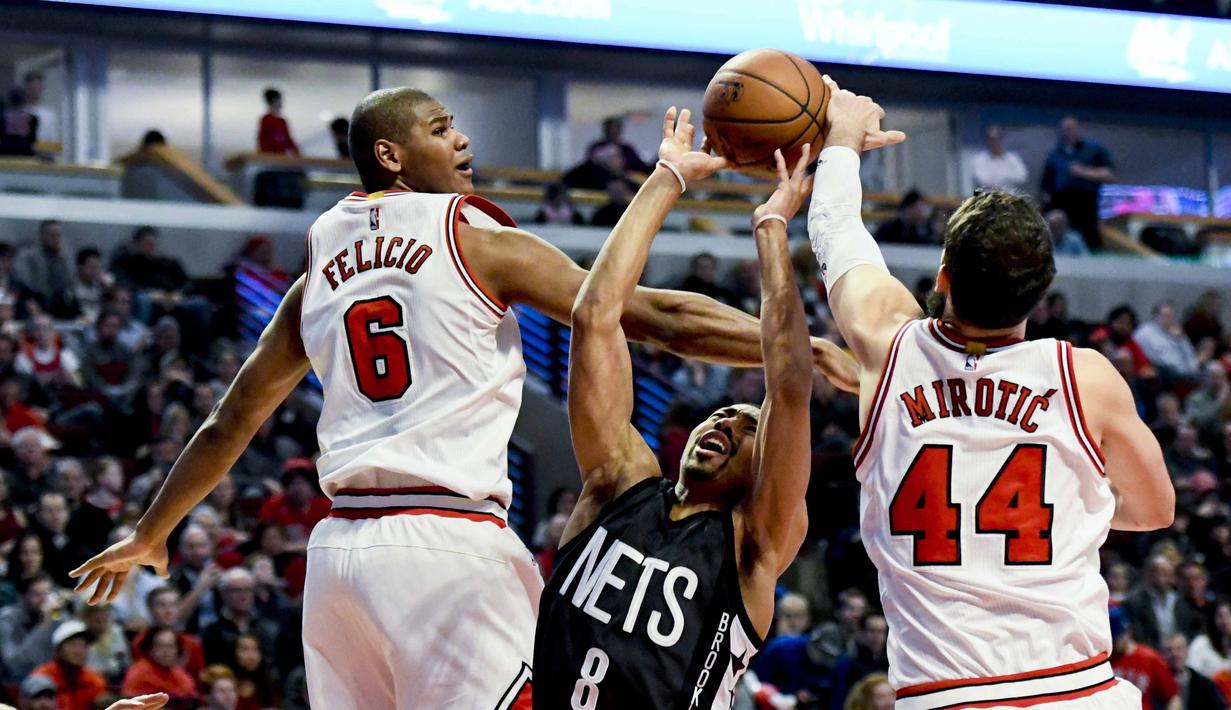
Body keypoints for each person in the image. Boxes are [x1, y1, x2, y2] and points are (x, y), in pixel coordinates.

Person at [71, 89, 856, 708]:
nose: (462, 141)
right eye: (442, 129)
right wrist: (796, 345)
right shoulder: (473, 237)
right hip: (446, 544)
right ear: (392, 154)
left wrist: (151, 533)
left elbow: (228, 421)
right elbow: (654, 316)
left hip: (338, 556)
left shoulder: (315, 271)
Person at [807, 75, 1171, 707]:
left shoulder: (888, 346)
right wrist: (1065, 510)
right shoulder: (1086, 379)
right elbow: (1155, 510)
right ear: (1041, 295)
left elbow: (837, 229)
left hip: (945, 693)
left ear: (943, 275)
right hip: (1077, 689)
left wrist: (841, 136)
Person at [535, 106, 817, 707]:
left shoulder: (751, 546)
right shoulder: (619, 484)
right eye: (721, 415)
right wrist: (668, 179)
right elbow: (595, 314)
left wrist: (771, 231)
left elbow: (790, 384)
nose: (723, 423)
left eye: (747, 429)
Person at [1041, 116, 1115, 250]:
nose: (1067, 132)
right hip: (1061, 205)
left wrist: (1084, 172)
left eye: (1070, 129)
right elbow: (1045, 184)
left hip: (1086, 205)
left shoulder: (1094, 150)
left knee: (1089, 240)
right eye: (1064, 130)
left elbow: (1109, 175)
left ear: (1077, 129)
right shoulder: (1055, 154)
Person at [1110, 607, 1182, 710]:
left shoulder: (1149, 658)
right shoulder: (1106, 660)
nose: (1115, 643)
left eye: (1118, 637)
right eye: (1113, 638)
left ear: (1128, 631)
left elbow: (1173, 697)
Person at [31, 619, 107, 710]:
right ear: (59, 649)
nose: (79, 651)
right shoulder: (42, 677)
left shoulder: (95, 681)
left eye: (84, 645)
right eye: (72, 644)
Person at [121, 626, 197, 702]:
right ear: (150, 648)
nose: (166, 651)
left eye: (170, 646)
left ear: (178, 650)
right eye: (160, 646)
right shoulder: (138, 673)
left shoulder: (182, 677)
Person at [13, 221, 73, 318]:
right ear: (42, 236)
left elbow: (67, 283)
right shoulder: (28, 256)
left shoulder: (62, 258)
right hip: (30, 301)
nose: (56, 240)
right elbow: (24, 284)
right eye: (52, 236)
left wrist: (60, 260)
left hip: (53, 306)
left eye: (58, 236)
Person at [1160, 632, 1227, 710]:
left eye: (1179, 649)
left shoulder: (1205, 685)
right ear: (1162, 654)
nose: (1175, 654)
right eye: (1169, 650)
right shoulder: (1156, 687)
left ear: (1187, 651)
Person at [969, 125, 1028, 192]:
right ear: (987, 141)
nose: (994, 142)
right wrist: (1008, 178)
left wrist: (997, 179)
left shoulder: (1013, 158)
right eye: (991, 139)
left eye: (997, 139)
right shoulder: (978, 160)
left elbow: (1022, 178)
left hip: (1010, 198)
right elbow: (982, 181)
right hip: (987, 199)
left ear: (1002, 140)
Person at [586, 115, 652, 174]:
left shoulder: (627, 149)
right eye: (610, 129)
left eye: (616, 129)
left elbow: (642, 167)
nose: (613, 132)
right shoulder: (597, 148)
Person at [257, 88, 299, 156]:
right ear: (272, 102)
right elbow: (263, 141)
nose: (281, 103)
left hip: (281, 157)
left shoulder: (282, 122)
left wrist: (297, 152)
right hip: (270, 157)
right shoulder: (266, 120)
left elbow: (289, 141)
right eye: (278, 100)